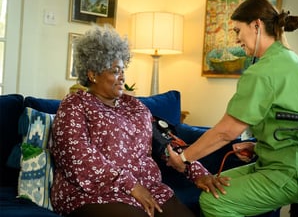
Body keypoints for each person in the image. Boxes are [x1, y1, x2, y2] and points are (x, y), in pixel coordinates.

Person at [167, 0, 298, 217]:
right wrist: (259, 147)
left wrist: (183, 158)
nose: (236, 39)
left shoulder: (262, 72)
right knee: (216, 183)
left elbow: (226, 132)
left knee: (214, 201)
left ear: (256, 25)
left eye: (238, 31)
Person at [50, 24, 225, 217]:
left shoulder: (135, 106)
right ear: (92, 74)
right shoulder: (75, 104)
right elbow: (78, 157)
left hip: (148, 190)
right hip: (93, 193)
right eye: (115, 70)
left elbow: (164, 143)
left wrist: (197, 172)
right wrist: (130, 185)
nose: (122, 76)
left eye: (123, 69)